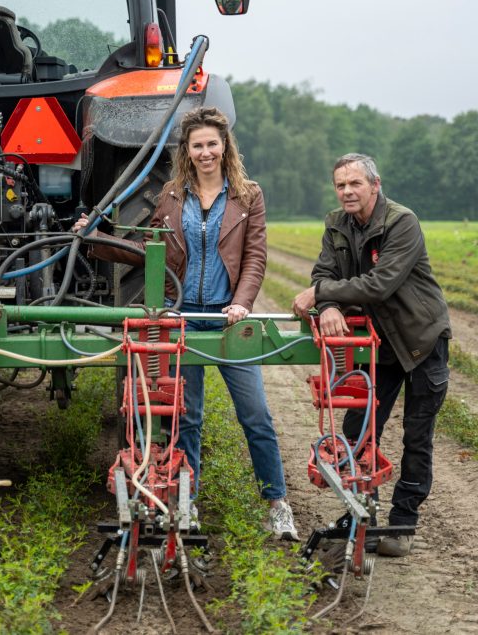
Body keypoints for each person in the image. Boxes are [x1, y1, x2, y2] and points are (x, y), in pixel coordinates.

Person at [73, 106, 298, 540]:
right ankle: (186, 502)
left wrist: (242, 303)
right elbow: (148, 248)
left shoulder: (248, 195)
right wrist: (96, 241)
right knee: (186, 416)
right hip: (184, 318)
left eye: (213, 143)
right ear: (188, 151)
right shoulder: (173, 195)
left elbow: (255, 256)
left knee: (255, 415)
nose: (206, 151)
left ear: (224, 145)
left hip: (228, 320)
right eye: (198, 145)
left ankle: (277, 503)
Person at [292, 152, 450, 557]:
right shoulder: (337, 224)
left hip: (420, 341)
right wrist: (326, 305)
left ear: (375, 185)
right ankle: (363, 512)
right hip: (377, 344)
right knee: (358, 429)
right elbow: (324, 273)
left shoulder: (402, 222)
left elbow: (380, 284)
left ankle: (402, 525)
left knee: (418, 435)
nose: (347, 191)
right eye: (340, 185)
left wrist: (322, 294)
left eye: (355, 184)